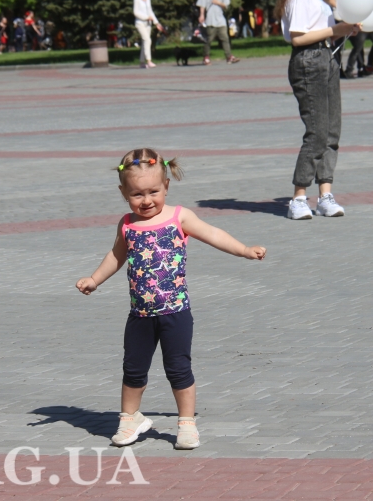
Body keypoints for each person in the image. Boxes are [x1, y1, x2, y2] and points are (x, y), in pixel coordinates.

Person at [75, 148, 266, 450]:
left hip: (175, 312)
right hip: (140, 315)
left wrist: (243, 250)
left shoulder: (179, 217)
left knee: (178, 368)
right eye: (137, 194)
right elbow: (116, 256)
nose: (146, 200)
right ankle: (129, 418)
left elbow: (213, 233)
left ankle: (186, 424)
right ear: (123, 192)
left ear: (166, 186)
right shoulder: (127, 224)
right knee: (133, 369)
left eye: (153, 191)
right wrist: (94, 279)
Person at [275, 0, 360, 220]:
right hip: (309, 61)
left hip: (326, 57)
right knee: (317, 132)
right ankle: (298, 197)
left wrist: (345, 28)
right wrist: (336, 30)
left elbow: (321, 29)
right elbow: (298, 37)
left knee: (332, 131)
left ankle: (325, 194)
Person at [196, 0, 240, 65]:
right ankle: (206, 57)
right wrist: (202, 14)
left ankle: (229, 56)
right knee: (208, 39)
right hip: (210, 19)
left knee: (225, 38)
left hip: (220, 19)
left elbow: (226, 6)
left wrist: (218, 2)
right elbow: (202, 3)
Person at [133, 0, 164, 69]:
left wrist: (156, 23)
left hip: (148, 24)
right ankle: (149, 61)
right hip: (140, 23)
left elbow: (150, 11)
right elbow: (135, 12)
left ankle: (142, 62)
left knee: (145, 42)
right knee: (147, 40)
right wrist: (146, 17)